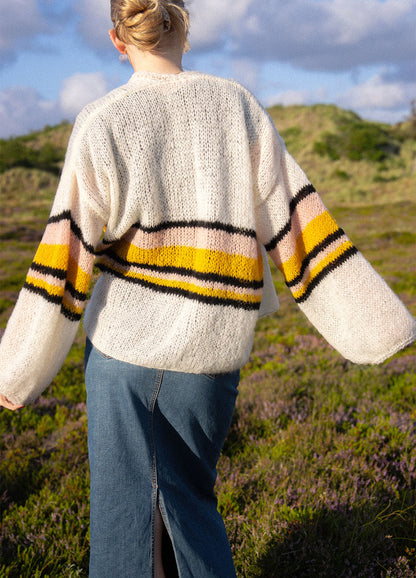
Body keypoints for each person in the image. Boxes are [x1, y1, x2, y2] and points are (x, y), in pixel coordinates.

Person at [1, 0, 415, 575]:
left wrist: (17, 369)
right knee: (189, 512)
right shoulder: (236, 105)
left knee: (130, 534)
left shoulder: (103, 119)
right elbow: (296, 221)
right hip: (215, 361)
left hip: (128, 359)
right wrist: (378, 324)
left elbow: (65, 257)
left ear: (117, 39)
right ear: (184, 25)